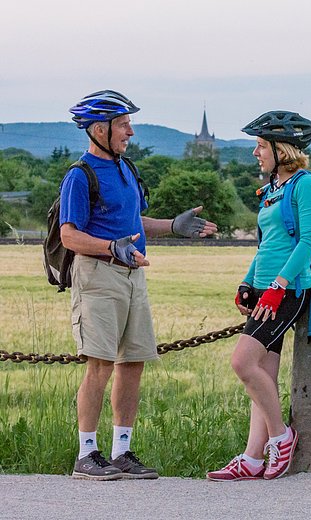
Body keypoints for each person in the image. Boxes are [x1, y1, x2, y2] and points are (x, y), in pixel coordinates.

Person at [61, 90, 218, 480]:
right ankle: (86, 455)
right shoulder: (80, 176)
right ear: (100, 129)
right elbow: (69, 236)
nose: (130, 130)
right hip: (98, 277)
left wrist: (172, 227)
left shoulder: (125, 169)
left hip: (134, 276)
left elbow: (132, 223)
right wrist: (109, 247)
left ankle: (121, 453)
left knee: (132, 364)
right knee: (99, 365)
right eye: (123, 123)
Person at [207, 110, 311, 481]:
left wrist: (278, 287)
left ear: (281, 149)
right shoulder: (273, 190)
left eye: (260, 146)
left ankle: (281, 437)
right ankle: (252, 458)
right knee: (263, 376)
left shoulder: (306, 185)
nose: (255, 153)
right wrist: (247, 282)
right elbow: (267, 245)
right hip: (263, 288)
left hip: (287, 290)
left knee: (243, 363)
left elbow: (306, 242)